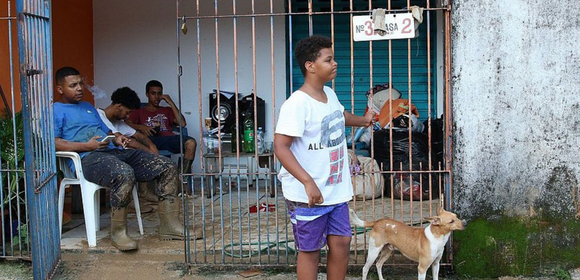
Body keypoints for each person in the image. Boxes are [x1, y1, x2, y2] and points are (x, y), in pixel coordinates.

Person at [53, 67, 193, 252]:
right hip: (87, 159)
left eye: (80, 83)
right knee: (123, 173)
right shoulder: (55, 110)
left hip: (112, 152)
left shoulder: (88, 107)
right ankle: (119, 232)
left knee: (166, 166)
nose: (79, 88)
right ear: (60, 89)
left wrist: (117, 138)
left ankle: (170, 226)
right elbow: (53, 143)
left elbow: (107, 131)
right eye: (73, 85)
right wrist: (86, 146)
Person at [273, 35, 374, 280]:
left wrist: (365, 119)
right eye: (328, 59)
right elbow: (280, 146)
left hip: (335, 190)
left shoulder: (329, 94)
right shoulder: (297, 104)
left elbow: (340, 116)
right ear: (310, 66)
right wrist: (308, 182)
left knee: (341, 242)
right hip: (307, 195)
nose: (335, 63)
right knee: (310, 251)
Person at [97, 86, 164, 205]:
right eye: (127, 112)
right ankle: (132, 202)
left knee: (138, 153)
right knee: (136, 154)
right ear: (118, 107)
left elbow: (138, 135)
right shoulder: (99, 116)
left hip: (114, 157)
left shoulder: (117, 121)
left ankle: (142, 195)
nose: (128, 117)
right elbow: (127, 140)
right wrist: (150, 153)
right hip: (100, 159)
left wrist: (152, 145)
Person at [127, 80, 197, 174]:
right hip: (149, 140)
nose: (156, 97)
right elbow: (126, 124)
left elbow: (182, 124)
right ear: (147, 94)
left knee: (191, 143)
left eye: (159, 94)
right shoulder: (139, 110)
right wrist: (141, 127)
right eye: (153, 93)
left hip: (167, 139)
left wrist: (170, 102)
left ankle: (181, 179)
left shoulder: (167, 110)